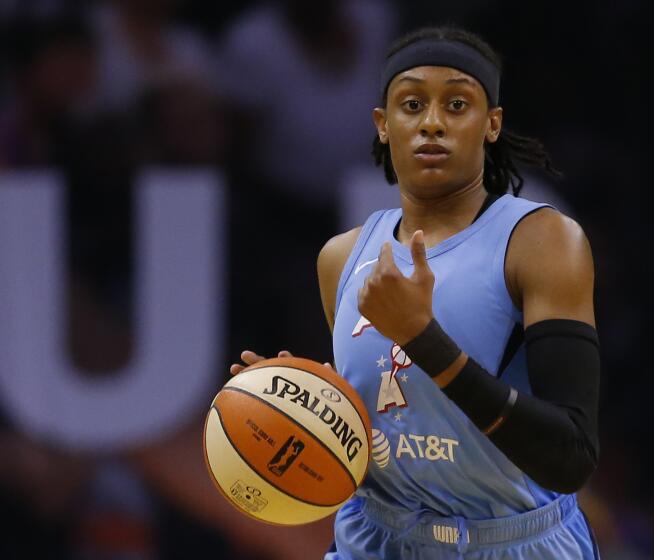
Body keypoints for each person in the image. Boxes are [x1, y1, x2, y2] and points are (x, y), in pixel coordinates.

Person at [231, 26, 601, 559]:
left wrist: (423, 339)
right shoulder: (342, 258)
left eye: (456, 104)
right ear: (383, 125)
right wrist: (298, 402)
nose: (432, 123)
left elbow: (571, 456)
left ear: (491, 124)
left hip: (513, 543)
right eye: (411, 104)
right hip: (376, 538)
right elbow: (389, 428)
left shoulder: (540, 242)